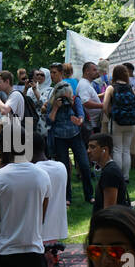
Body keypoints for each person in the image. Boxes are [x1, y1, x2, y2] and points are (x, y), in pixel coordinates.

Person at [46, 76, 92, 205]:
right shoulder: (52, 102)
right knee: (64, 168)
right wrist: (55, 107)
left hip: (75, 135)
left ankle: (89, 195)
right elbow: (49, 121)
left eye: (67, 96)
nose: (65, 99)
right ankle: (67, 197)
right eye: (63, 97)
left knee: (84, 165)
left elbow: (81, 116)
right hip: (59, 138)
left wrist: (78, 119)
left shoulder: (75, 99)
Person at [101, 64, 135, 180]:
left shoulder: (111, 88)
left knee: (117, 149)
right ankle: (126, 177)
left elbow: (105, 106)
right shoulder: (130, 88)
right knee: (126, 150)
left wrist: (110, 116)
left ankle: (117, 176)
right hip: (131, 122)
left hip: (117, 121)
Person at [87, 133, 126, 212]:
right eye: (88, 147)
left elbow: (109, 211)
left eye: (92, 147)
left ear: (105, 150)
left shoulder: (110, 173)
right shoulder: (107, 169)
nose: (88, 151)